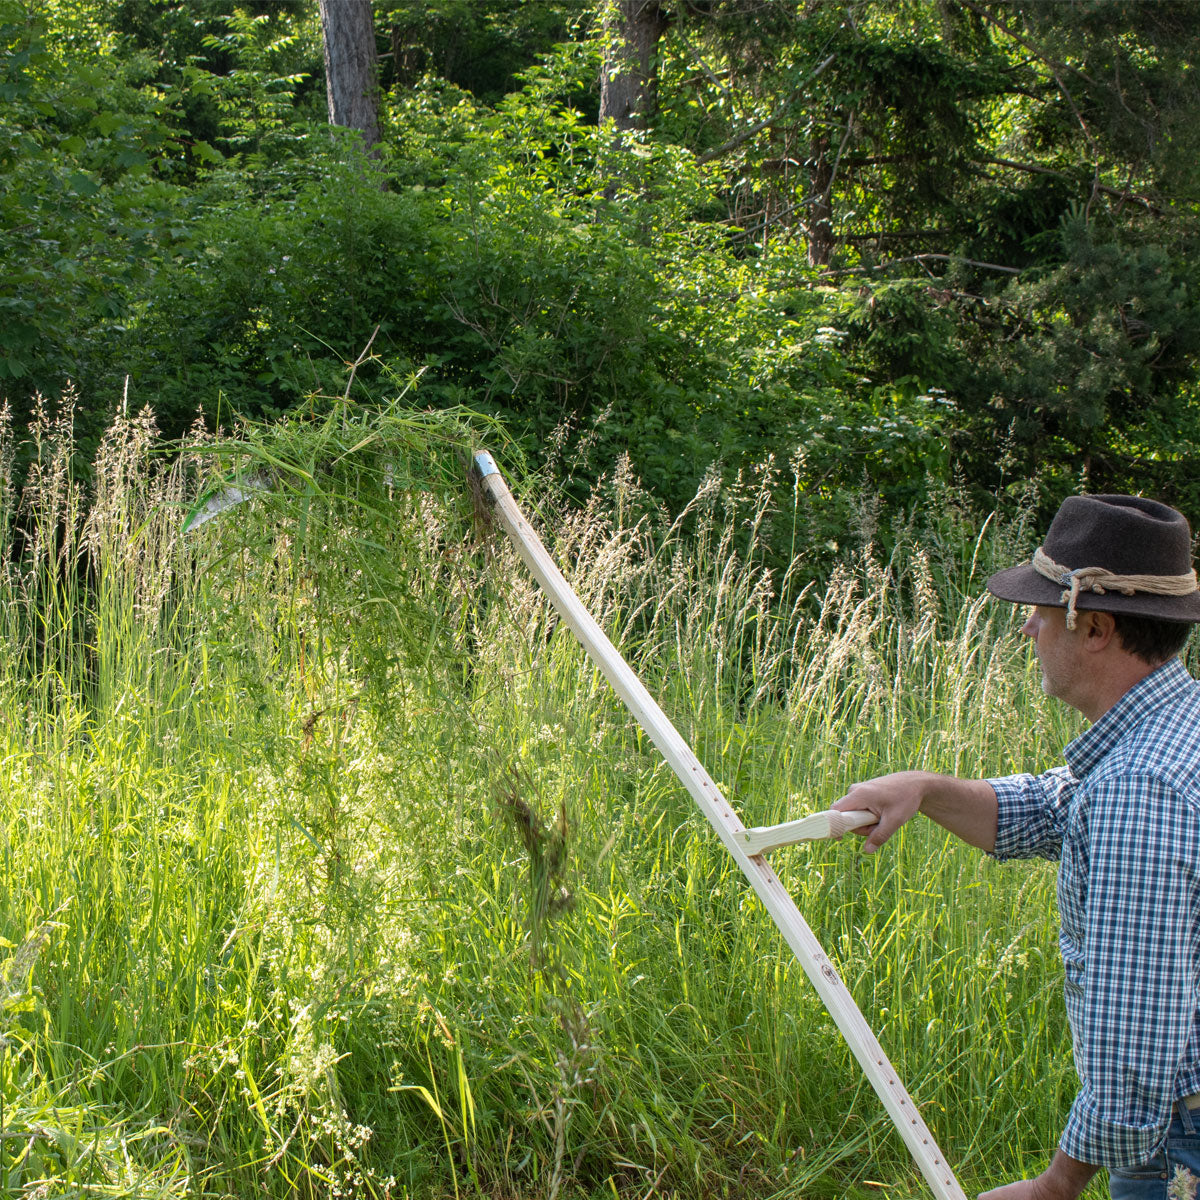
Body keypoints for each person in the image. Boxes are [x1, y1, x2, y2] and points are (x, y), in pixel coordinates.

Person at [832, 494, 1200, 1200]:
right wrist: (926, 789)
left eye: (1040, 610)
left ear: (1094, 628)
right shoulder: (1172, 734)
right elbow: (1053, 808)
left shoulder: (1141, 788)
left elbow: (1135, 1051)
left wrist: (1056, 1185)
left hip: (1179, 1143)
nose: (1027, 627)